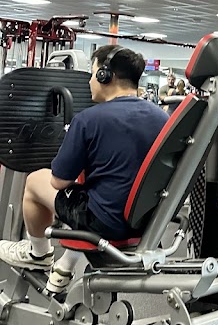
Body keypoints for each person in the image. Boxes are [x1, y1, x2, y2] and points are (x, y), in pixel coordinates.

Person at [0, 45, 168, 294]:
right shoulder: (162, 118)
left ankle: (38, 253)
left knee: (36, 180)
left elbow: (59, 182)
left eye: (92, 74)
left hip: (105, 223)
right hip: (148, 220)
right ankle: (64, 268)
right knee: (92, 188)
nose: (90, 81)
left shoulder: (89, 119)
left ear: (105, 76)